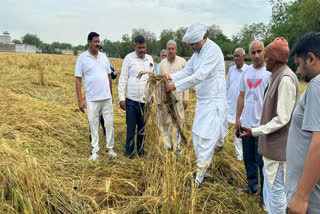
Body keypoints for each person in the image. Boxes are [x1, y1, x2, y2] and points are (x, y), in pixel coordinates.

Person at [240, 37, 300, 213]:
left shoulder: (286, 79)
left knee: (276, 194)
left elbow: (282, 119)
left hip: (279, 149)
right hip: (271, 147)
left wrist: (256, 131)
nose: (262, 59)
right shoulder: (276, 76)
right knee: (271, 190)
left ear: (274, 59)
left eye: (265, 55)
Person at [166, 24, 228, 185]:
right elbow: (188, 71)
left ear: (202, 40)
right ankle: (205, 169)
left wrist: (175, 86)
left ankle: (199, 179)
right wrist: (169, 77)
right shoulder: (197, 53)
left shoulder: (212, 50)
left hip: (214, 102)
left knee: (206, 139)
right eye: (190, 44)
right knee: (197, 136)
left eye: (193, 44)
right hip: (202, 102)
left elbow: (200, 75)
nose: (192, 47)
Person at [286, 32, 320, 214]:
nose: (298, 71)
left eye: (299, 65)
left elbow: (319, 142)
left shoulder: (317, 85)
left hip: (310, 200)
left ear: (311, 58)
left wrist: (301, 197)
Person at [235, 40, 270, 210]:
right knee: (249, 159)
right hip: (246, 124)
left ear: (264, 52)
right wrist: (237, 119)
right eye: (253, 52)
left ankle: (265, 197)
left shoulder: (269, 73)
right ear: (249, 54)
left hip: (261, 127)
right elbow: (241, 96)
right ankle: (252, 187)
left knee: (263, 163)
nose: (257, 55)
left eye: (259, 51)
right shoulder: (246, 72)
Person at [75, 32, 117, 161]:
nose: (98, 44)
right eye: (95, 42)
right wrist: (80, 99)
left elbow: (109, 77)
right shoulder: (82, 58)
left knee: (109, 124)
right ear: (89, 42)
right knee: (93, 125)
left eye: (99, 42)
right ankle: (95, 151)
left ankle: (110, 149)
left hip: (106, 98)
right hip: (92, 98)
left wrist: (111, 94)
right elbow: (78, 80)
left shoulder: (104, 57)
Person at [118, 35, 154, 157]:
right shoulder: (128, 58)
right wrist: (121, 98)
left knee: (142, 129)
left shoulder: (150, 59)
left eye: (144, 47)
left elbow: (152, 79)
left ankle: (140, 151)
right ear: (135, 47)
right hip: (132, 101)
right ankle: (129, 153)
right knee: (131, 129)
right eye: (139, 48)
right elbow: (123, 79)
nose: (142, 50)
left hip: (146, 102)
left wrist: (152, 96)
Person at [158, 40, 189, 156]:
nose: (170, 51)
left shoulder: (182, 62)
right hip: (166, 98)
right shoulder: (162, 64)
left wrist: (186, 98)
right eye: (169, 49)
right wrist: (159, 100)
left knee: (178, 122)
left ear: (176, 50)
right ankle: (167, 145)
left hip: (178, 97)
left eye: (173, 49)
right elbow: (160, 84)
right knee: (165, 122)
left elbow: (187, 81)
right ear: (166, 50)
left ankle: (177, 146)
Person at [226, 48, 249, 160]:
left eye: (238, 56)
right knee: (223, 126)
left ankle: (239, 155)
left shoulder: (248, 70)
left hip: (242, 106)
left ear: (244, 57)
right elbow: (228, 86)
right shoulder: (231, 70)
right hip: (230, 104)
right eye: (234, 56)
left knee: (239, 129)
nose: (235, 58)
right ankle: (222, 147)